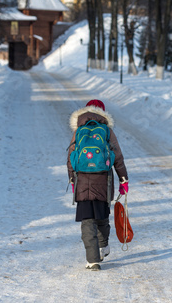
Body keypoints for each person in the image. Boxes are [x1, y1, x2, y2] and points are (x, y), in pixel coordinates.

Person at [67, 99, 129, 271]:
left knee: (87, 221)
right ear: (103, 113)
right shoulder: (107, 131)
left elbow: (71, 158)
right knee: (101, 217)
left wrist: (72, 179)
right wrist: (124, 179)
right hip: (103, 181)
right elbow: (118, 158)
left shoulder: (79, 131)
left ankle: (92, 260)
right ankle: (104, 246)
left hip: (82, 183)